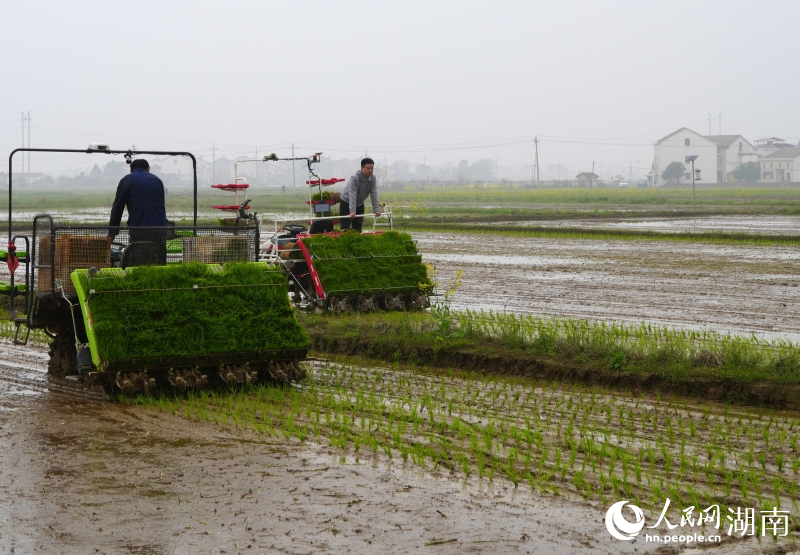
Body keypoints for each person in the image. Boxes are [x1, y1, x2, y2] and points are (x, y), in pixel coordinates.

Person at [109, 159, 168, 266]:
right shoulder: (157, 180)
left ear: (131, 170)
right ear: (148, 169)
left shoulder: (127, 180)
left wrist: (112, 233)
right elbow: (160, 206)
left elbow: (118, 207)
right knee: (158, 264)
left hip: (139, 231)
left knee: (138, 264)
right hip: (160, 230)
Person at [340, 158, 380, 232]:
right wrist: (352, 211)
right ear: (362, 168)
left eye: (372, 168)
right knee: (345, 227)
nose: (370, 170)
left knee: (358, 227)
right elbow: (352, 194)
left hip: (360, 203)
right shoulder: (354, 178)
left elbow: (374, 193)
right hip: (346, 202)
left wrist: (376, 210)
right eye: (368, 168)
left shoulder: (373, 178)